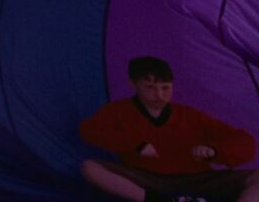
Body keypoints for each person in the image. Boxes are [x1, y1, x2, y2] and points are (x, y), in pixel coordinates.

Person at [80, 56, 258, 202]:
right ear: (133, 84)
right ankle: (157, 201)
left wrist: (214, 150)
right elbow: (89, 131)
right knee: (89, 167)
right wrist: (134, 143)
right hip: (145, 179)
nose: (159, 95)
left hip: (196, 178)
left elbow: (245, 142)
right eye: (150, 87)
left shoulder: (190, 115)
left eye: (165, 88)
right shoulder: (118, 111)